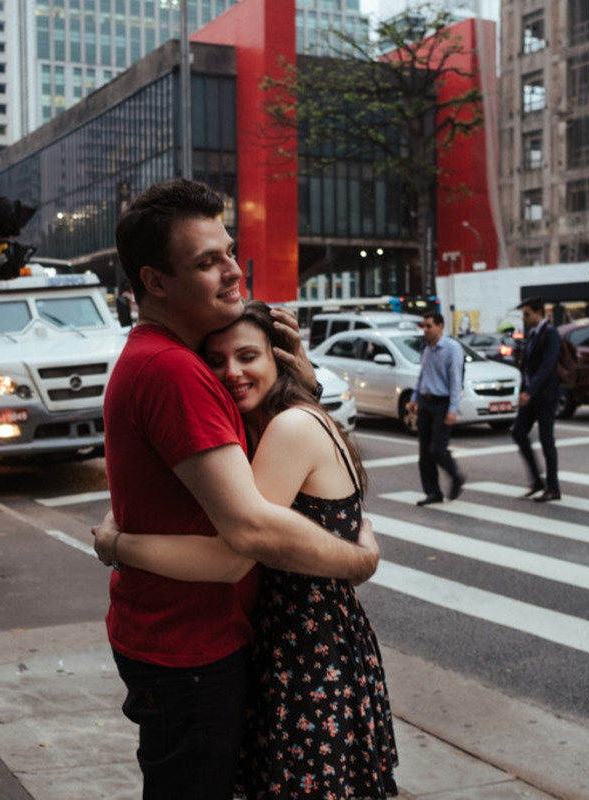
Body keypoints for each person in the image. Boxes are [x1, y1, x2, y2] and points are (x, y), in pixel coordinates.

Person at [97, 178, 379, 799]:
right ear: (155, 281)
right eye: (206, 262)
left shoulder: (171, 358)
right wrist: (359, 559)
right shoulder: (174, 371)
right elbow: (245, 533)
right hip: (189, 647)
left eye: (228, 251)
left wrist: (298, 384)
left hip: (185, 639)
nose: (231, 270)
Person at [405, 311, 466, 506]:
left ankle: (456, 477)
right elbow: (423, 375)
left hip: (442, 403)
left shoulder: (452, 348)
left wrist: (453, 409)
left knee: (438, 449)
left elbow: (456, 380)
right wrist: (414, 398)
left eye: (429, 326)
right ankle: (433, 492)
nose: (425, 330)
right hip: (425, 402)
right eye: (423, 326)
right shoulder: (427, 348)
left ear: (440, 326)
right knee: (424, 453)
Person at [512, 297, 561, 502]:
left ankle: (553, 487)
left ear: (538, 313)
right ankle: (536, 479)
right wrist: (524, 390)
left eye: (527, 314)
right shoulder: (532, 335)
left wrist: (530, 391)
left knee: (546, 440)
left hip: (545, 396)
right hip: (531, 395)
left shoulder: (550, 334)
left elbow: (547, 366)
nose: (525, 318)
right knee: (518, 432)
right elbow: (527, 368)